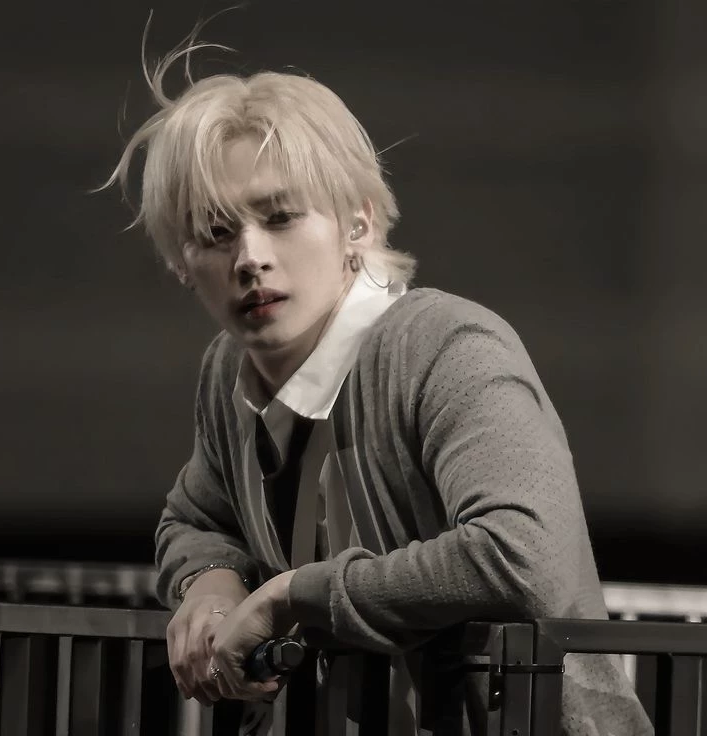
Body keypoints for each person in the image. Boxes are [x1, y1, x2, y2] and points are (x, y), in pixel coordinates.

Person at [107, 36, 652, 736]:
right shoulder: (227, 370)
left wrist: (294, 597)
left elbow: (523, 554)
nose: (250, 257)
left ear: (357, 222)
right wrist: (210, 583)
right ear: (182, 264)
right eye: (215, 232)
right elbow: (196, 518)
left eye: (280, 217)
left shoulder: (444, 345)